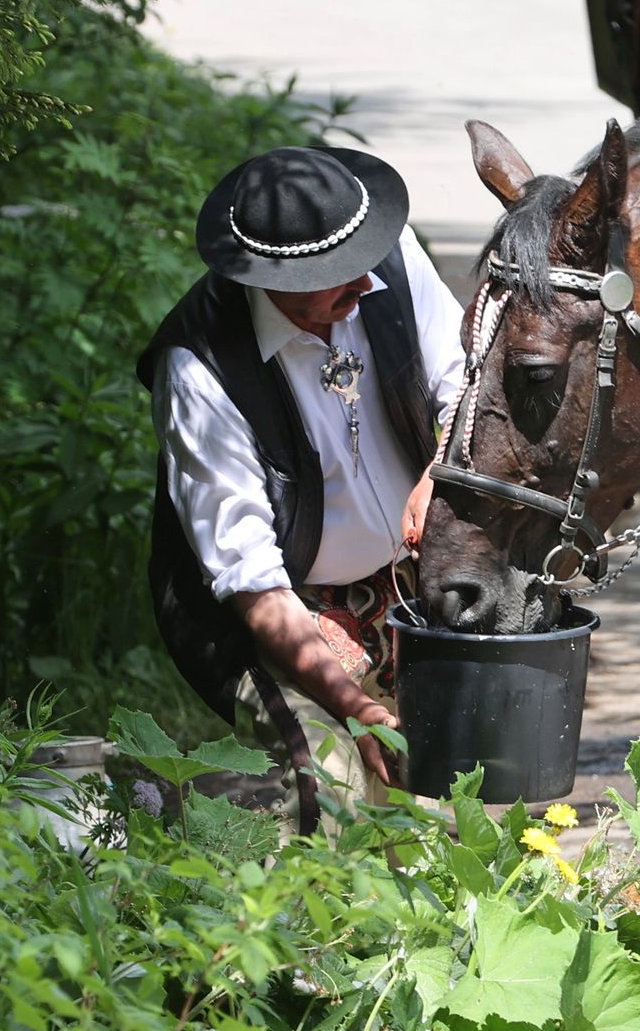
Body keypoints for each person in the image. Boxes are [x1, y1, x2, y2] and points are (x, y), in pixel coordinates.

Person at [139, 146, 465, 830]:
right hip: (284, 613)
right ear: (271, 279)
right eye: (335, 279)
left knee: (442, 803)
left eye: (364, 263)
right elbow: (253, 583)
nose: (363, 285)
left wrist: (439, 469)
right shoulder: (199, 371)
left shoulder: (389, 261)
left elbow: (462, 387)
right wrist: (357, 707)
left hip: (407, 587)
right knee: (336, 806)